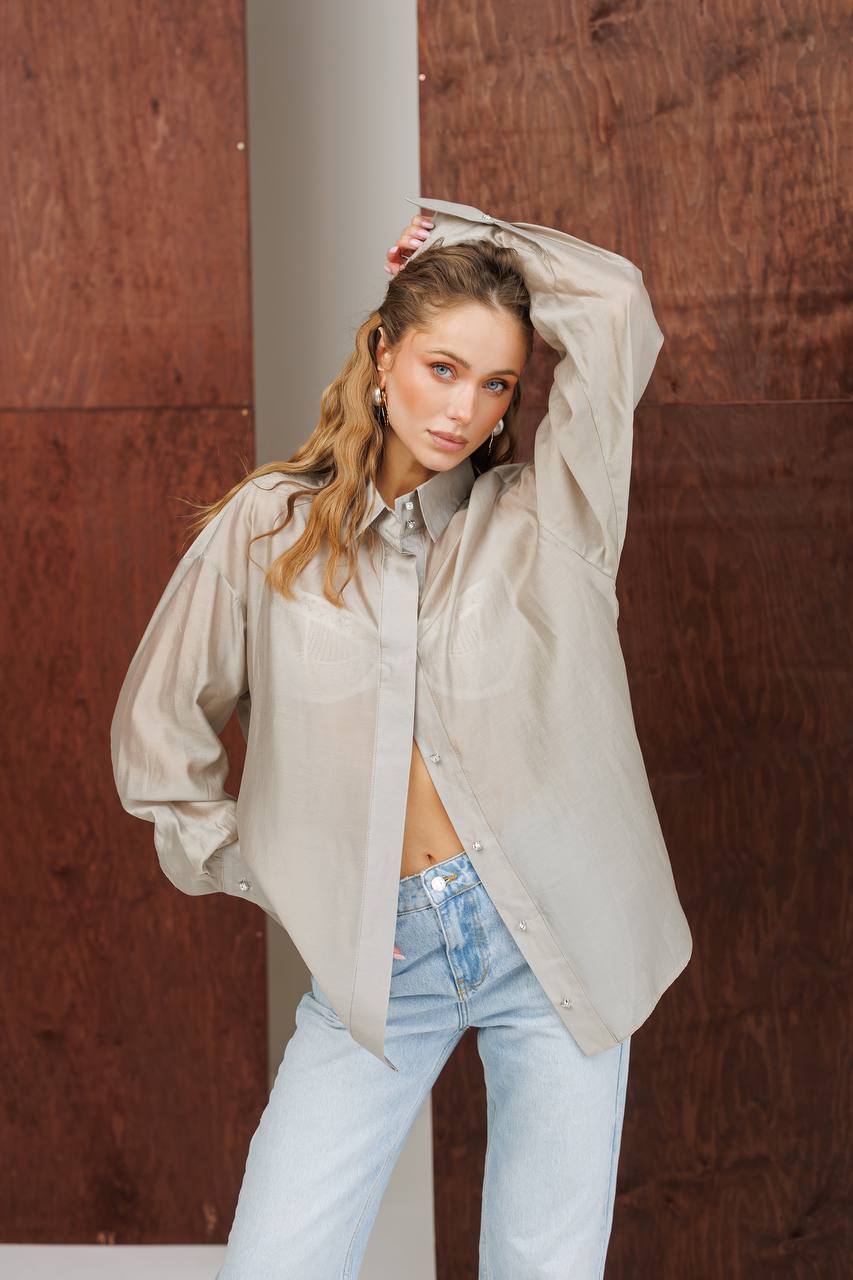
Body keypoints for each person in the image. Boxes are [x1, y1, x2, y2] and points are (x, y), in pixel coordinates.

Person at [110, 195, 693, 1278]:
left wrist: (483, 238)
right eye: (440, 366)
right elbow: (158, 734)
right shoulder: (270, 528)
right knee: (275, 1261)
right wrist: (280, 874)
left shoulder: (546, 517)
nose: (464, 408)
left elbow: (613, 306)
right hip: (382, 950)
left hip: (555, 924)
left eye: (496, 383)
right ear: (381, 353)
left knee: (543, 1265)